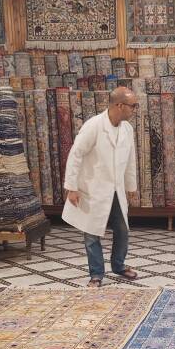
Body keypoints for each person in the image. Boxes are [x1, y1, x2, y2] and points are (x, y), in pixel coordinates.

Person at [62, 86, 139, 287]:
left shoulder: (127, 129)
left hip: (116, 190)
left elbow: (130, 159)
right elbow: (76, 154)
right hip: (93, 190)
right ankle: (96, 274)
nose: (134, 110)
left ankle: (119, 265)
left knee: (122, 230)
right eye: (133, 106)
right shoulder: (94, 126)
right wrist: (71, 187)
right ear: (120, 106)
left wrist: (131, 186)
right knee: (92, 234)